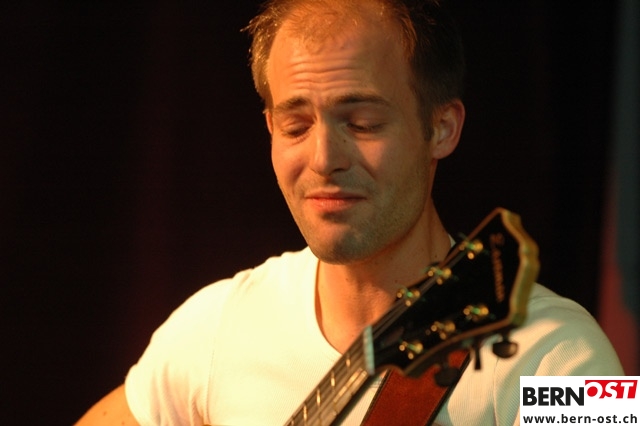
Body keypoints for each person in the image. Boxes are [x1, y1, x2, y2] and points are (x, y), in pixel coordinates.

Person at [76, 0, 623, 424]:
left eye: (362, 123)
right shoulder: (218, 322)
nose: (323, 159)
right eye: (295, 126)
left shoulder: (563, 355)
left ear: (442, 128)